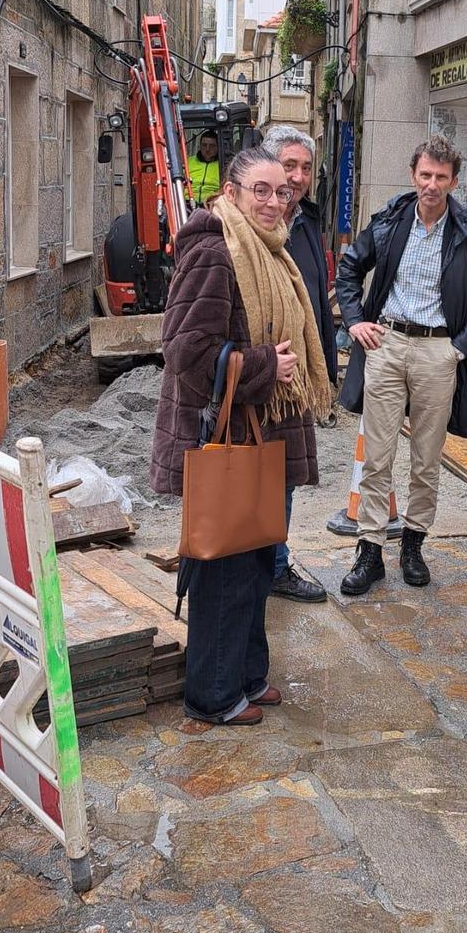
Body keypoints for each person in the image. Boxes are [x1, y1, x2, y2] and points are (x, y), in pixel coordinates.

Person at [150, 147, 332, 724]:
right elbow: (185, 351)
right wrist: (260, 367)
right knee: (224, 570)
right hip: (224, 438)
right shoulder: (213, 249)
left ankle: (248, 678)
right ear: (231, 193)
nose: (275, 201)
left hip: (259, 435)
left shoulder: (270, 252)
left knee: (255, 566)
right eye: (262, 189)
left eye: (282, 191)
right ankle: (214, 695)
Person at [336, 135, 467, 596]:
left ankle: (413, 543)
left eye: (441, 177)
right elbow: (349, 269)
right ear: (414, 174)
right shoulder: (391, 222)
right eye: (425, 175)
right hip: (387, 343)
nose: (432, 184)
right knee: (376, 456)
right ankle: (369, 551)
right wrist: (355, 322)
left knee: (427, 459)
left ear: (453, 181)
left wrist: (458, 348)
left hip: (438, 351)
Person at [262, 124, 340, 604]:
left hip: (298, 370)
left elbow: (316, 299)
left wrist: (325, 370)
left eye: (305, 167)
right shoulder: (259, 221)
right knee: (262, 473)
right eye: (289, 165)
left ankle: (273, 565)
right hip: (265, 370)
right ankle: (262, 565)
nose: (297, 176)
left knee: (286, 473)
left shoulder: (308, 221)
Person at [186, 129, 222, 205]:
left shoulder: (223, 164)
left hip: (212, 204)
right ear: (200, 146)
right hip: (187, 203)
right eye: (204, 145)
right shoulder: (188, 162)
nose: (207, 149)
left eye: (212, 146)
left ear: (218, 147)